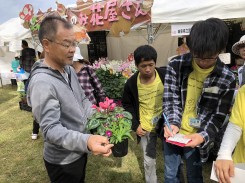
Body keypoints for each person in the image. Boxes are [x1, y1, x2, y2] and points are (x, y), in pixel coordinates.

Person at [27, 16, 113, 183]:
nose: (73, 49)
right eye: (66, 44)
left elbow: (83, 100)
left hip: (78, 149)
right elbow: (51, 129)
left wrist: (98, 115)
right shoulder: (42, 82)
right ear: (46, 45)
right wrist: (86, 141)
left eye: (74, 43)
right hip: (62, 160)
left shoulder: (69, 70)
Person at [163, 18, 236, 183]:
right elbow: (171, 99)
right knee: (170, 175)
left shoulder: (226, 78)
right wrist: (173, 123)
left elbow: (218, 115)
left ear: (220, 49)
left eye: (209, 58)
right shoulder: (176, 65)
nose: (203, 62)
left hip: (197, 135)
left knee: (194, 175)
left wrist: (202, 136)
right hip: (173, 132)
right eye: (198, 57)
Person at [122, 45, 166, 183]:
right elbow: (127, 105)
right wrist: (135, 126)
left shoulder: (165, 76)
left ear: (155, 63)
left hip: (167, 125)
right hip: (146, 127)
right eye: (143, 66)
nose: (147, 69)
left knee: (174, 160)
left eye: (151, 65)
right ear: (136, 65)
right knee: (149, 162)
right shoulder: (131, 84)